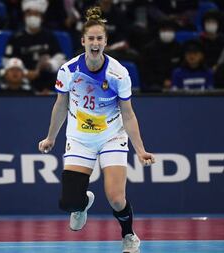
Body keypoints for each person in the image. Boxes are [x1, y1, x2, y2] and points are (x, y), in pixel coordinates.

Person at [38, 6, 155, 253]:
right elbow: (60, 105)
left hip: (111, 136)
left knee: (115, 198)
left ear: (105, 42)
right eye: (90, 38)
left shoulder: (118, 73)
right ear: (83, 41)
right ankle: (82, 205)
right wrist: (50, 137)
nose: (95, 43)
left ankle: (129, 236)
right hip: (80, 137)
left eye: (99, 38)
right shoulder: (69, 70)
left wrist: (141, 150)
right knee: (69, 202)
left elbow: (128, 113)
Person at [5, 0, 65, 94]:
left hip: (47, 78)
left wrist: (50, 64)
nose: (33, 17)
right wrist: (24, 73)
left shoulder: (49, 36)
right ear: (24, 17)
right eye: (30, 14)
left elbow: (60, 58)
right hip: (23, 79)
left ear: (42, 18)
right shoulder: (16, 38)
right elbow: (8, 60)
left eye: (36, 14)